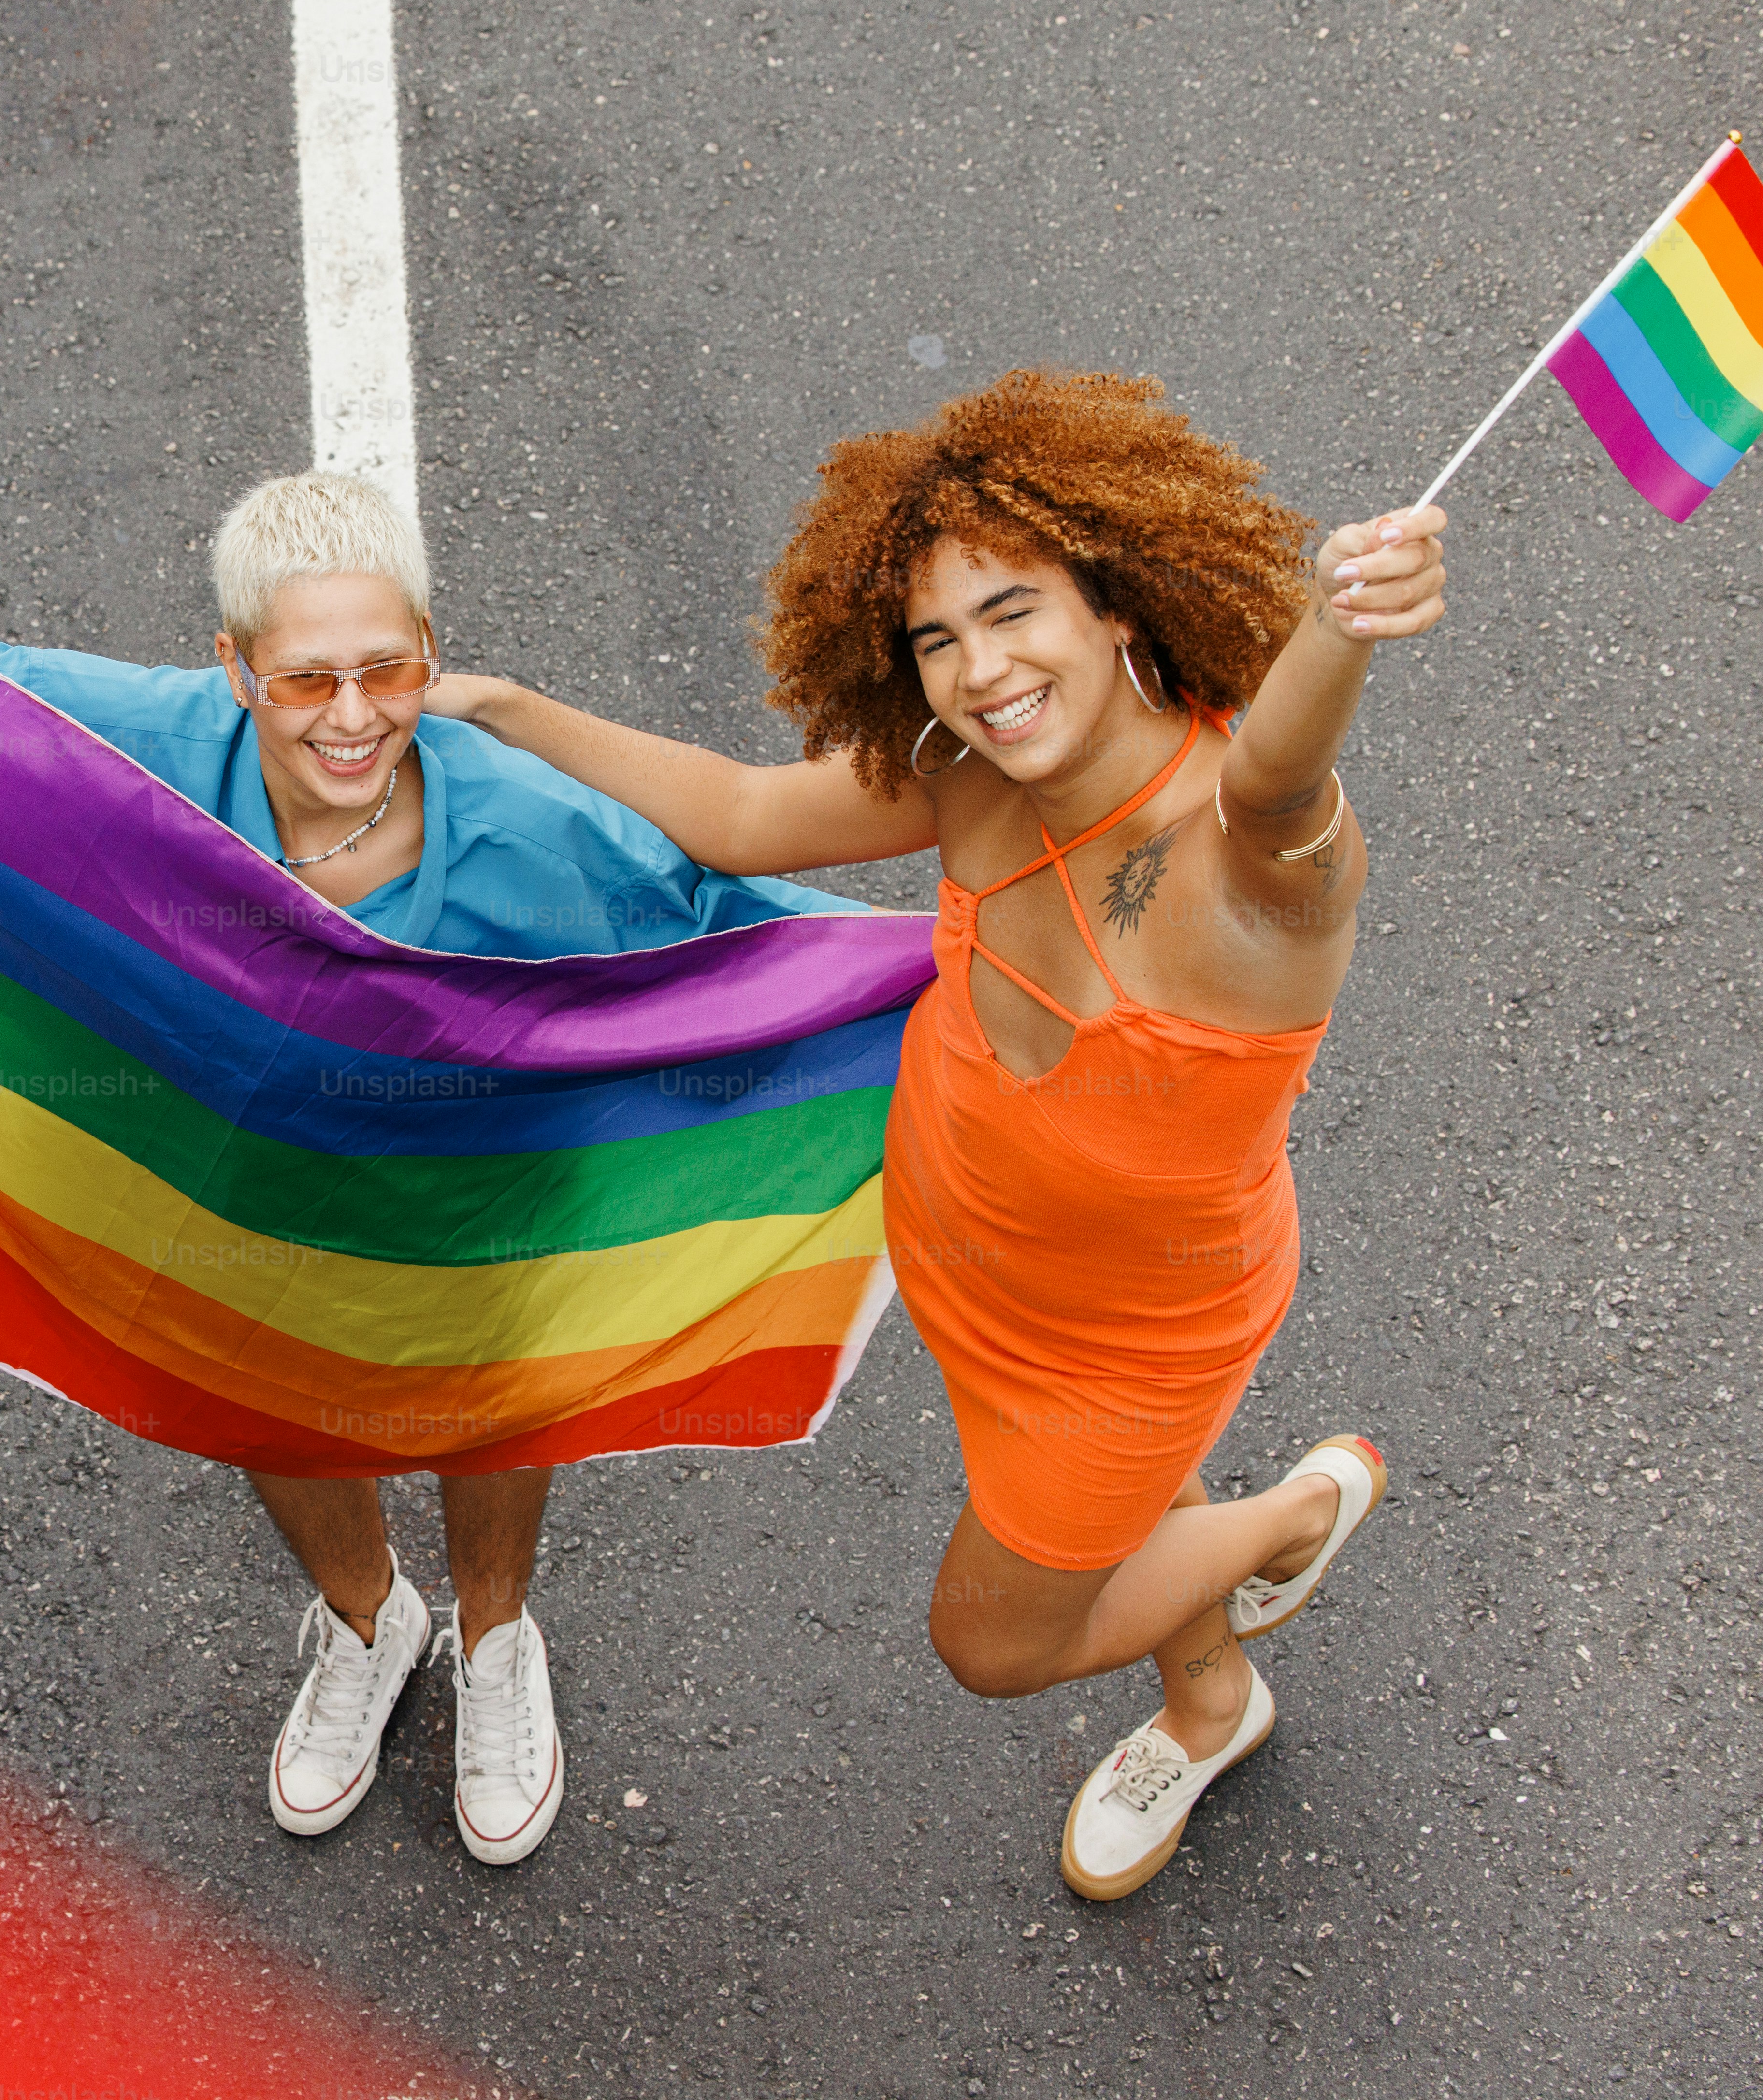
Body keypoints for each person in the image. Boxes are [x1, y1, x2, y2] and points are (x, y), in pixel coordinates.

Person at [0, 393, 855, 1869]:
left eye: (390, 670)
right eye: (306, 680)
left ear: (430, 650)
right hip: (243, 1194)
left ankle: (496, 1638)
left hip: (477, 1196)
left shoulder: (545, 827)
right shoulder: (121, 748)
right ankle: (369, 1625)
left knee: (498, 1399)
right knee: (260, 1385)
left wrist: (954, 986)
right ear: (234, 667)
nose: (353, 716)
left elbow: (731, 941)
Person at [419, 368, 1435, 1899]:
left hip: (1127, 1339)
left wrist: (1337, 629)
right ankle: (1214, 1701)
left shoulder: (1245, 879)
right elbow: (750, 817)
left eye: (1014, 611)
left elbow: (1281, 786)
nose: (978, 673)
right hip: (968, 1270)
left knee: (998, 1637)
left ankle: (1295, 1512)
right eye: (937, 640)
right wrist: (499, 706)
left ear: (1115, 602)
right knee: (1130, 1521)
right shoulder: (970, 779)